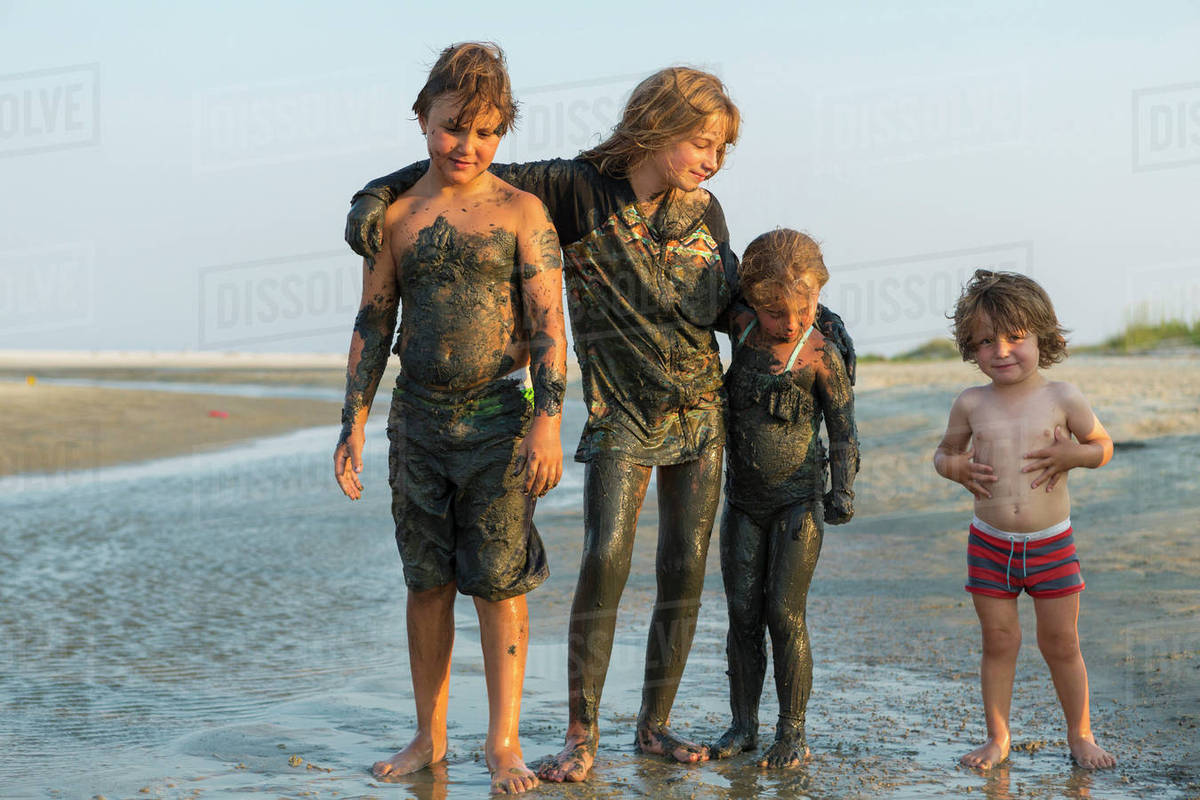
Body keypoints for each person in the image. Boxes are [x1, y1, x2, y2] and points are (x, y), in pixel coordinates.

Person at [344, 66, 854, 783]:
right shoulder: (575, 187)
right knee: (605, 558)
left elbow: (732, 306)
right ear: (656, 125)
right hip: (619, 413)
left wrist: (807, 336)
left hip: (701, 411)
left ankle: (654, 725)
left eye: (721, 150)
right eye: (701, 143)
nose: (711, 161)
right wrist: (374, 194)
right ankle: (581, 735)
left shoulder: (706, 211)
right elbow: (463, 170)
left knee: (683, 566)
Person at [332, 42, 567, 795]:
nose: (467, 146)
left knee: (500, 584)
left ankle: (503, 744)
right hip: (419, 424)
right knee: (426, 580)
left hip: (501, 419)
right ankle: (427, 737)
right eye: (452, 128)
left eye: (487, 132)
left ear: (504, 134)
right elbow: (373, 324)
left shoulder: (523, 213)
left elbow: (549, 328)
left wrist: (548, 422)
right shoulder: (397, 218)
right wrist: (353, 423)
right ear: (421, 119)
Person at [933, 270, 1115, 770]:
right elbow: (944, 455)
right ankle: (997, 739)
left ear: (1043, 337)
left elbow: (1103, 446)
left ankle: (1080, 735)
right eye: (987, 341)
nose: (1002, 350)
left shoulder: (1063, 397)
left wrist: (1071, 457)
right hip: (990, 543)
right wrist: (957, 468)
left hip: (1051, 543)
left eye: (1016, 337)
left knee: (1061, 643)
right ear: (972, 348)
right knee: (999, 642)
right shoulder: (972, 403)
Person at [707, 230, 858, 768]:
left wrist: (842, 489)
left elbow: (842, 429)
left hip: (799, 504)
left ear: (819, 295)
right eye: (775, 310)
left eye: (803, 307)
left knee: (783, 613)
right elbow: (710, 281)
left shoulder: (820, 355)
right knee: (742, 614)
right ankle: (743, 724)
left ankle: (791, 733)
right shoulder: (742, 329)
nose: (790, 322)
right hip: (743, 503)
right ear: (752, 301)